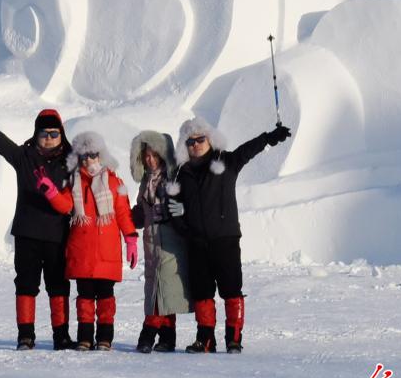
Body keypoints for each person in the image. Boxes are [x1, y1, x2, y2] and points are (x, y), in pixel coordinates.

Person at [0, 103, 75, 351]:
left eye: (54, 134)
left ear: (61, 135)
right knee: (26, 284)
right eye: (44, 134)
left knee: (59, 286)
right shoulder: (24, 157)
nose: (49, 139)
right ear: (36, 135)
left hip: (58, 235)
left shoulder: (72, 162)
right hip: (27, 233)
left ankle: (61, 336)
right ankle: (26, 336)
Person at [169, 117, 291, 354]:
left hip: (224, 239)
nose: (195, 144)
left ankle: (233, 339)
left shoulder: (226, 162)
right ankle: (205, 340)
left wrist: (269, 138)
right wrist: (185, 228)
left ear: (209, 139)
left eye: (200, 139)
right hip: (196, 243)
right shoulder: (181, 174)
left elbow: (248, 150)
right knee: (202, 293)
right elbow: (173, 208)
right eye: (190, 141)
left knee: (231, 290)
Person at [36, 131, 137, 351]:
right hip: (82, 250)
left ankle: (104, 338)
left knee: (105, 298)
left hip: (106, 251)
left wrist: (130, 238)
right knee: (84, 298)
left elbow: (122, 213)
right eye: (84, 156)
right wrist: (52, 192)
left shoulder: (114, 182)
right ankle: (85, 337)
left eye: (93, 155)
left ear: (101, 155)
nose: (89, 160)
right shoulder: (74, 182)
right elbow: (65, 206)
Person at [128, 130, 192, 353]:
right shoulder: (146, 180)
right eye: (146, 155)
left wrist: (183, 210)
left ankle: (148, 333)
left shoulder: (174, 178)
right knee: (156, 286)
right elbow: (140, 212)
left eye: (155, 155)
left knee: (164, 286)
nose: (150, 159)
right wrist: (124, 216)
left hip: (171, 240)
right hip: (151, 241)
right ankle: (167, 337)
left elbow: (189, 202)